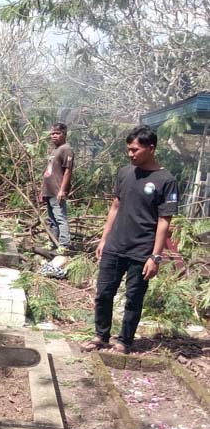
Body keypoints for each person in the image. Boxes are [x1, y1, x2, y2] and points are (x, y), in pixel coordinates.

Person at [81, 126, 178, 354]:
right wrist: (104, 239)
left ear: (151, 148)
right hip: (115, 245)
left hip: (141, 251)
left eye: (135, 150)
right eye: (128, 149)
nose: (130, 154)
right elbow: (115, 206)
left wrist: (155, 256)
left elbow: (164, 221)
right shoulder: (125, 173)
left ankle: (124, 341)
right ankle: (101, 336)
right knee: (104, 293)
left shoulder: (166, 180)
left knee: (133, 299)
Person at [40, 123, 74, 251]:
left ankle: (64, 245)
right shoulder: (55, 151)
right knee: (51, 219)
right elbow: (48, 171)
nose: (54, 135)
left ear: (64, 134)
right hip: (49, 190)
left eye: (57, 133)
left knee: (60, 218)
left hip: (57, 191)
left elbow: (68, 171)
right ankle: (53, 242)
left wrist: (62, 190)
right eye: (52, 133)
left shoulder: (66, 149)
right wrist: (43, 190)